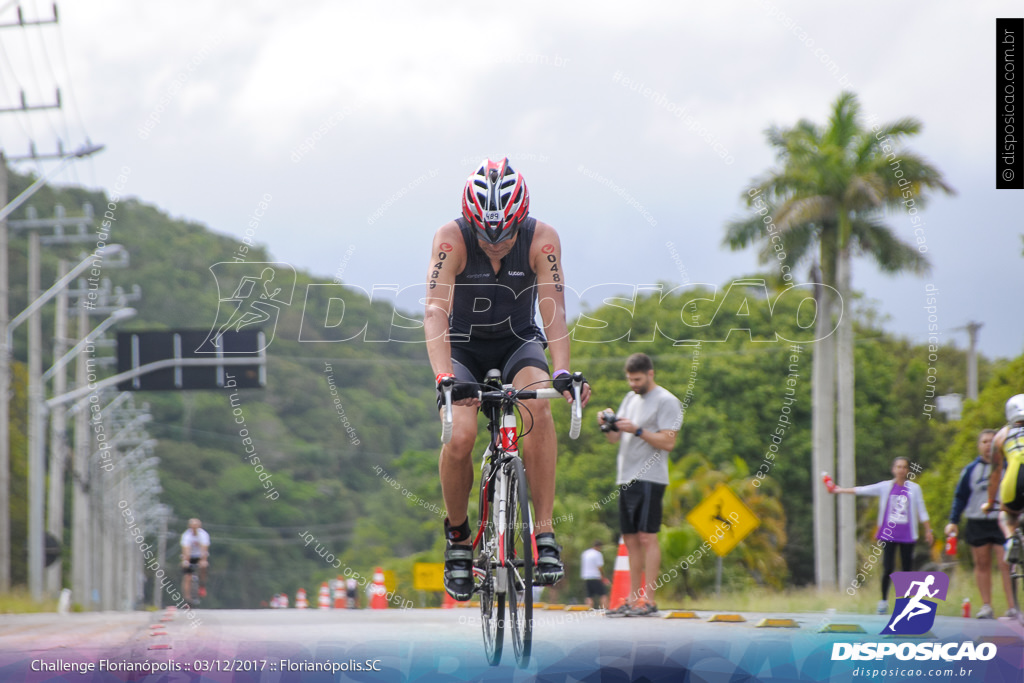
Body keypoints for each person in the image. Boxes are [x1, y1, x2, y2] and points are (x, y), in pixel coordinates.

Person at [424, 158, 590, 601]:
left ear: (521, 220)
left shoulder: (543, 239)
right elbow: (436, 310)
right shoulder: (451, 239)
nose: (495, 247)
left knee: (537, 404)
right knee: (459, 435)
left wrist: (561, 373)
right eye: (485, 237)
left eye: (506, 237)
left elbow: (553, 310)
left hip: (519, 341)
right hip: (463, 348)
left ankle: (545, 532)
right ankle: (459, 540)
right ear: (471, 224)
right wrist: (444, 376)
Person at [600, 353, 682, 616]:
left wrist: (638, 430)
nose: (633, 384)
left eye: (637, 379)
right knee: (630, 539)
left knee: (648, 537)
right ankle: (632, 600)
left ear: (650, 374)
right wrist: (608, 424)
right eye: (629, 380)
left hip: (650, 476)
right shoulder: (629, 398)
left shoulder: (666, 401)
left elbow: (669, 442)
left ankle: (649, 600)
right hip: (626, 477)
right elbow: (613, 440)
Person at [830, 457, 933, 614]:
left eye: (904, 467)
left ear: (908, 470)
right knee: (888, 568)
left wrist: (928, 530)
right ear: (893, 469)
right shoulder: (885, 487)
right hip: (889, 534)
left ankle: (905, 603)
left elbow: (922, 509)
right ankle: (883, 600)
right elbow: (862, 490)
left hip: (907, 535)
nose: (901, 470)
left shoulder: (914, 488)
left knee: (907, 570)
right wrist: (839, 490)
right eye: (898, 467)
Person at [945, 429, 1011, 619]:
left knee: (1006, 563)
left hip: (1001, 520)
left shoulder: (1008, 467)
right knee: (982, 563)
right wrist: (953, 521)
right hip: (977, 521)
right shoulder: (970, 469)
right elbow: (960, 497)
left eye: (992, 441)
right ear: (979, 445)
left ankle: (1012, 607)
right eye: (984, 441)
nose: (988, 445)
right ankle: (986, 606)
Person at [985, 394, 1024, 615]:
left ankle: (1010, 540)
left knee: (1006, 516)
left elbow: (994, 475)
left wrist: (990, 502)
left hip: (1013, 479)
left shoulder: (1001, 435)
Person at [180, 518, 210, 603]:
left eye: (196, 527)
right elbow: (186, 549)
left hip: (200, 555)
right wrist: (186, 561)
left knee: (204, 566)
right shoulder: (186, 535)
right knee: (187, 577)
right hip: (189, 556)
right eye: (192, 527)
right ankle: (187, 597)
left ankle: (202, 585)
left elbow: (204, 549)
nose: (194, 529)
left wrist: (203, 560)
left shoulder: (203, 535)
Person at [580, 540, 610, 609]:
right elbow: (599, 567)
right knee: (603, 594)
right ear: (599, 547)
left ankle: (588, 608)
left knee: (589, 595)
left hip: (586, 576)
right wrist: (603, 576)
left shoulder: (585, 553)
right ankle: (604, 608)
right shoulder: (597, 554)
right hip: (595, 576)